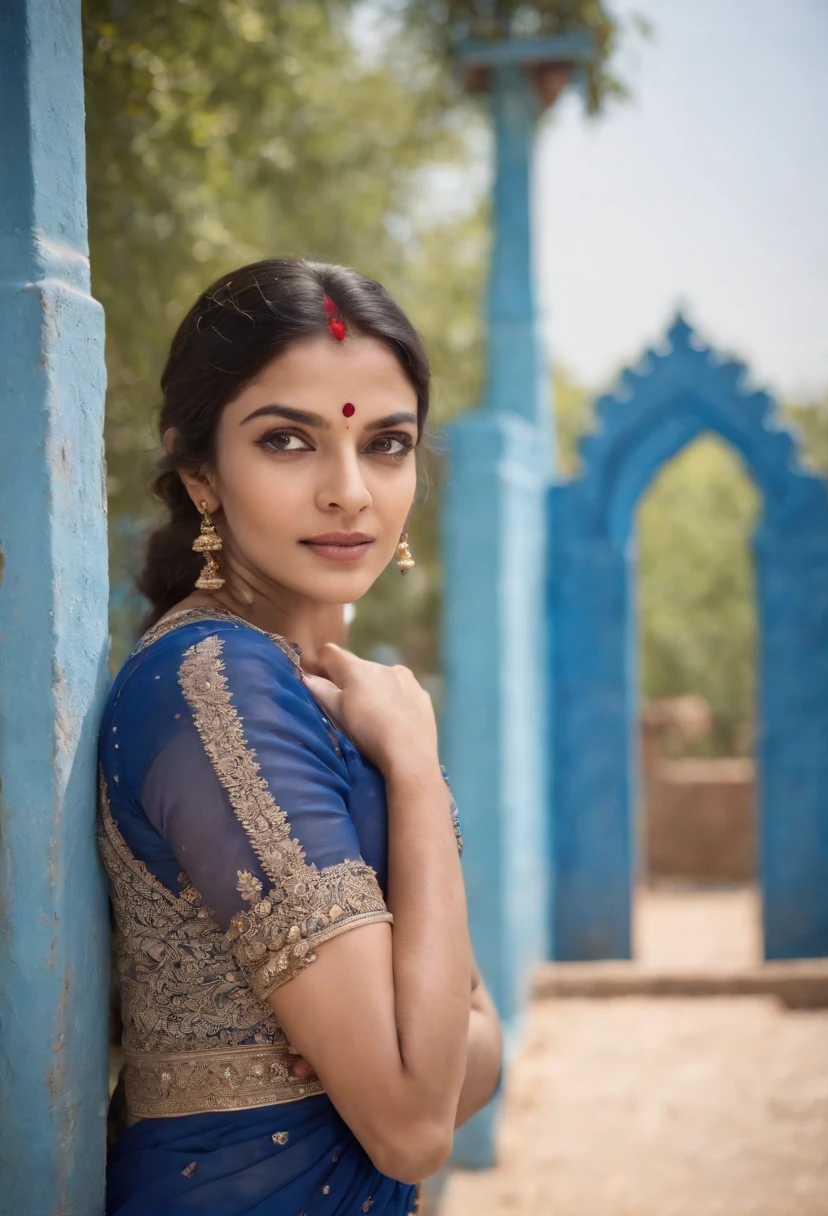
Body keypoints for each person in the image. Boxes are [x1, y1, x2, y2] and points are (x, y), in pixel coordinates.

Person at [100, 257, 503, 1215]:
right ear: (200, 472)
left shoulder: (309, 683)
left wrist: (431, 1057)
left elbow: (476, 1053)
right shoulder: (218, 685)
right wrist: (411, 766)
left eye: (388, 444)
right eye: (288, 441)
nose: (350, 492)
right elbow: (415, 1124)